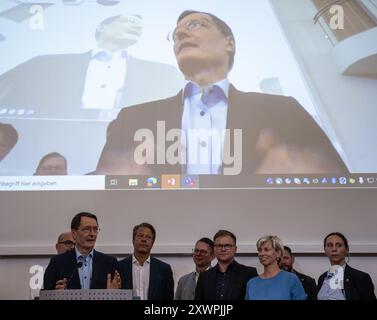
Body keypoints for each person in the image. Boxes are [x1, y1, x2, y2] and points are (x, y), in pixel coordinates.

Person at [95, 10, 348, 176]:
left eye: (195, 25)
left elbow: (337, 187)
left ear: (229, 42)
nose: (181, 33)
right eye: (175, 35)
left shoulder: (283, 111)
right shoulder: (133, 119)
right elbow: (102, 197)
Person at [0, 14, 183, 119]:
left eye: (140, 26)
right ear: (102, 27)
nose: (137, 27)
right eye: (129, 21)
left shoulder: (161, 73)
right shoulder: (46, 64)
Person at [43, 212, 121, 290]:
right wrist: (56, 295)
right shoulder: (57, 263)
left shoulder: (110, 262)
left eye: (95, 229)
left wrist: (112, 294)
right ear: (74, 234)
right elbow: (46, 294)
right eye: (87, 229)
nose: (92, 234)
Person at [195, 230, 257, 300]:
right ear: (214, 249)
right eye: (219, 246)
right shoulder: (204, 276)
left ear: (235, 249)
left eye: (227, 245)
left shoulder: (249, 274)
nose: (223, 249)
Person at [119, 222, 174, 300]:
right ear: (133, 240)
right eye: (140, 236)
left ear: (152, 243)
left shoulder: (164, 269)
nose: (144, 239)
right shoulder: (120, 267)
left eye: (148, 237)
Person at [317, 232, 376, 300]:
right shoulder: (322, 278)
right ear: (325, 250)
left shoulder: (360, 278)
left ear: (347, 250)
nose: (334, 249)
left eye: (339, 245)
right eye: (330, 245)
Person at [245, 235, 307, 300]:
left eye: (266, 250)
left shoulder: (291, 279)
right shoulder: (251, 283)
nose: (262, 253)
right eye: (260, 250)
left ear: (278, 253)